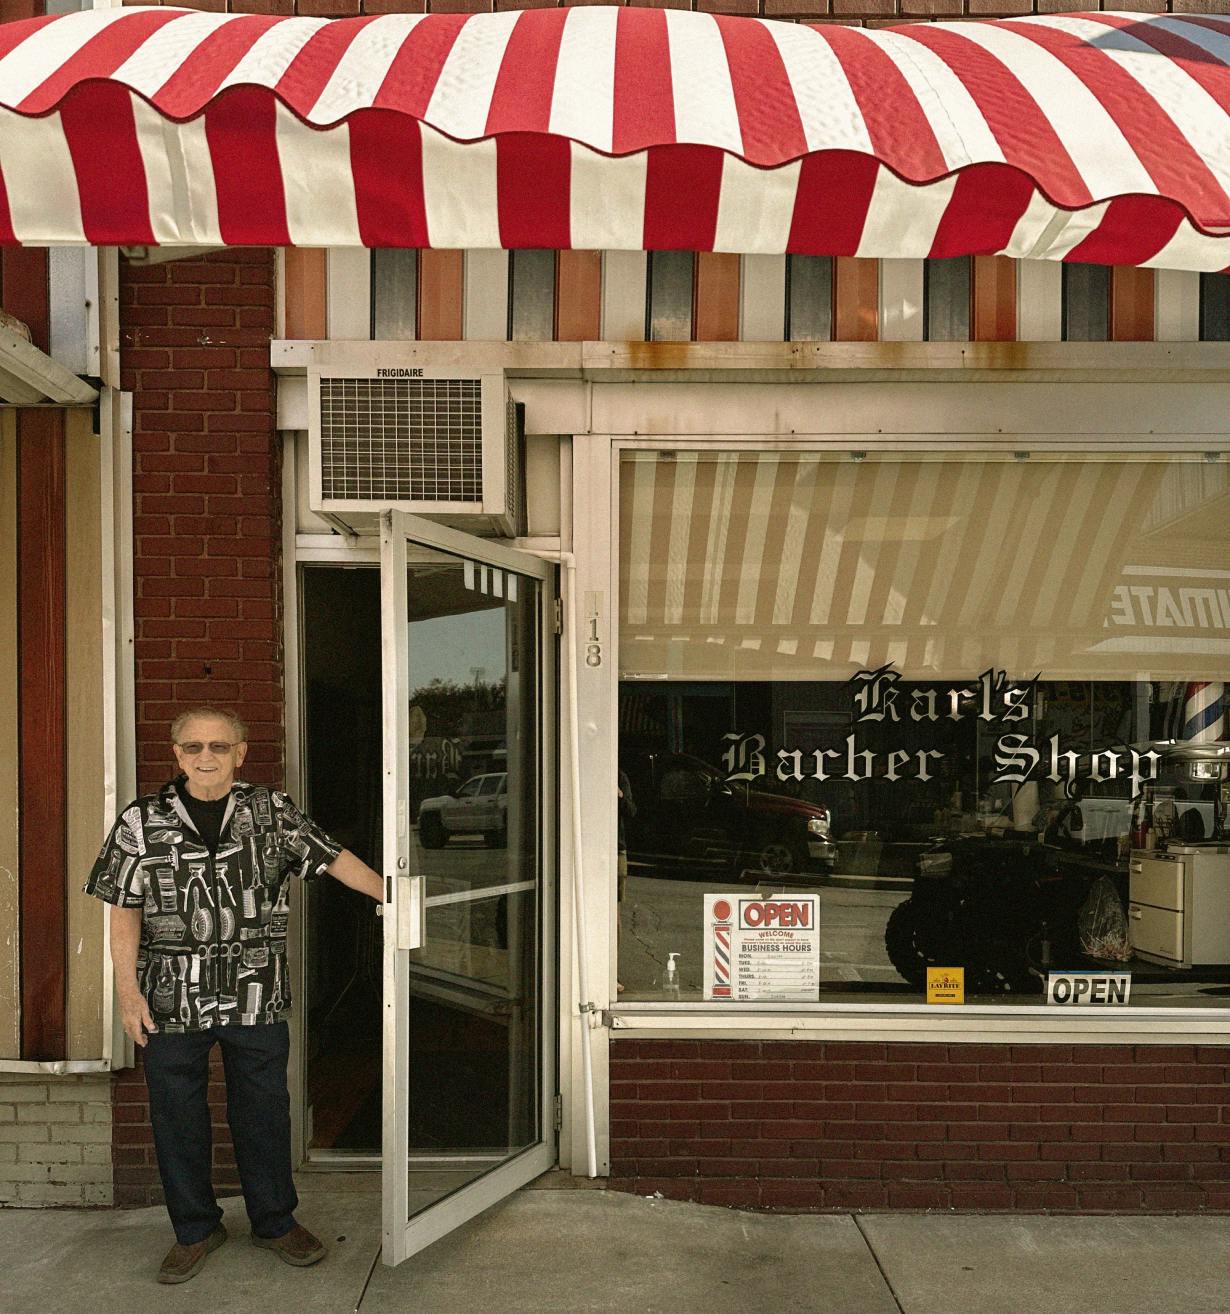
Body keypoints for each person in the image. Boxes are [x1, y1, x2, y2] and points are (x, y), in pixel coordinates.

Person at [84, 707, 384, 1285]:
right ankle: (195, 1229)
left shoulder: (270, 812)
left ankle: (275, 1222)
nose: (205, 757)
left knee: (265, 1111)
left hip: (256, 993)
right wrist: (127, 992)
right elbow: (123, 910)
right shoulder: (141, 821)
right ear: (176, 755)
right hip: (171, 997)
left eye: (219, 747)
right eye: (193, 747)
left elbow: (332, 858)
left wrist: (393, 898)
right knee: (177, 1116)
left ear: (240, 753)